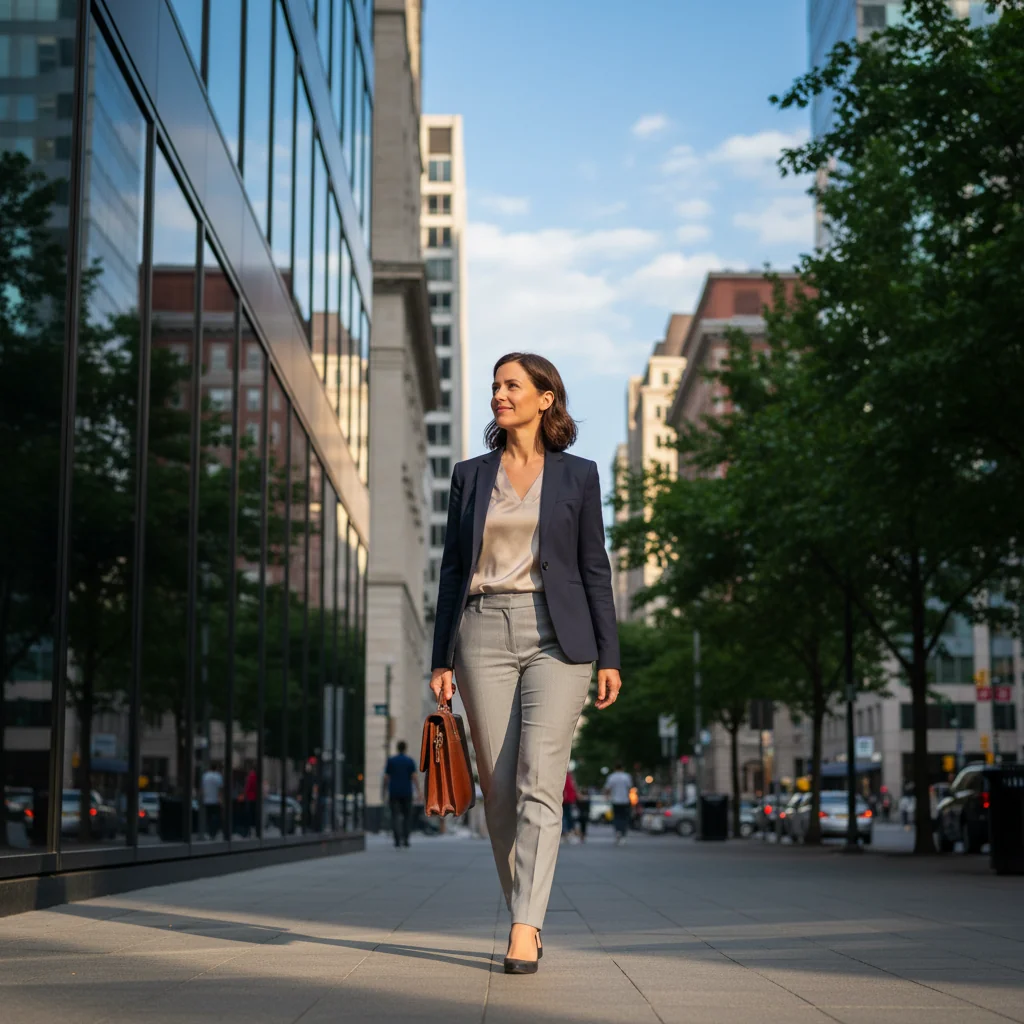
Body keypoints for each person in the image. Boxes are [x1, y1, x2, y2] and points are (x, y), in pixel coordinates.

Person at [429, 352, 622, 975]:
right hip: (481, 632)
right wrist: (441, 658)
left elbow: (595, 567)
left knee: (541, 780)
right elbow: (453, 570)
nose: (498, 395)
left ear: (545, 398)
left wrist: (609, 655)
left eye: (511, 385)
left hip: (557, 637)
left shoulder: (579, 476)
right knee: (499, 787)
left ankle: (524, 925)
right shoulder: (470, 475)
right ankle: (525, 902)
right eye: (494, 386)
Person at [384, 740, 418, 848]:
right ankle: (406, 839)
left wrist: (385, 790)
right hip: (407, 792)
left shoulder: (391, 761)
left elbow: (386, 777)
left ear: (397, 748)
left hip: (394, 792)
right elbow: (414, 777)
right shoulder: (409, 761)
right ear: (405, 748)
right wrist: (418, 790)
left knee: (395, 816)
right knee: (407, 816)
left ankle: (397, 840)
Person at [604, 763, 633, 844]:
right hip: (625, 800)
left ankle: (617, 832)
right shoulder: (626, 776)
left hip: (615, 800)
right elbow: (630, 788)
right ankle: (623, 834)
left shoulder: (612, 777)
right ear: (622, 768)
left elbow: (607, 788)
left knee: (616, 817)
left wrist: (607, 796)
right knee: (624, 817)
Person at [201, 762, 223, 840]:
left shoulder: (205, 776)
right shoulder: (218, 776)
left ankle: (208, 832)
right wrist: (220, 799)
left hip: (207, 800)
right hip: (215, 800)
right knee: (216, 816)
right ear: (216, 768)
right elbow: (220, 789)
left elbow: (202, 789)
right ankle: (214, 832)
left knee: (208, 816)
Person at [561, 771, 578, 842]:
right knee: (567, 817)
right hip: (567, 800)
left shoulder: (567, 776)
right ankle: (568, 833)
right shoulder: (567, 777)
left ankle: (566, 833)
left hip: (567, 800)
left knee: (566, 817)